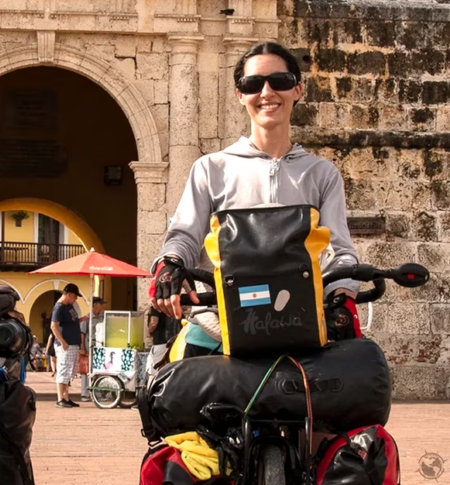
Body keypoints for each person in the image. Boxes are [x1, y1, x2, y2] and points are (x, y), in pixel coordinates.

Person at [150, 41, 359, 332]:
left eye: (280, 81)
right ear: (240, 95)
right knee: (177, 378)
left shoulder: (321, 174)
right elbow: (184, 235)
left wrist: (343, 293)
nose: (266, 92)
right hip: (217, 327)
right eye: (252, 84)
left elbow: (340, 251)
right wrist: (168, 265)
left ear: (297, 90)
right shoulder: (211, 169)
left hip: (300, 324)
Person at [50, 283, 84, 408]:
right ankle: (60, 398)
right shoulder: (59, 307)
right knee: (63, 370)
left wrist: (80, 320)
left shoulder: (69, 306)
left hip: (73, 343)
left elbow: (69, 322)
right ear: (68, 295)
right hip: (66, 344)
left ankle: (66, 397)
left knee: (70, 371)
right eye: (75, 297)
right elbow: (54, 326)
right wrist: (63, 342)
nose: (75, 299)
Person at [79, 297, 105, 401]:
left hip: (100, 345)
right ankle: (84, 393)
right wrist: (82, 348)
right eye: (97, 307)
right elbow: (82, 334)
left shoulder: (103, 317)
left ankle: (97, 392)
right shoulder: (87, 318)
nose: (99, 310)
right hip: (88, 345)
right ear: (93, 306)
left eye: (101, 307)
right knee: (86, 369)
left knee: (98, 368)